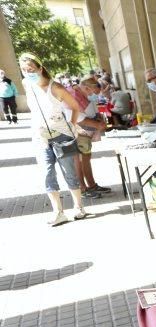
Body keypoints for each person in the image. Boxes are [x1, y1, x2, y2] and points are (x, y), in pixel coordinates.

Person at [19, 53, 90, 225]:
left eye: (31, 69)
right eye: (24, 70)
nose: (28, 73)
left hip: (61, 135)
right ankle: (58, 212)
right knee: (47, 174)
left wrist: (72, 125)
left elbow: (74, 107)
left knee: (69, 173)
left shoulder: (55, 87)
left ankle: (79, 207)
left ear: (40, 68)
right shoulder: (26, 84)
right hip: (40, 136)